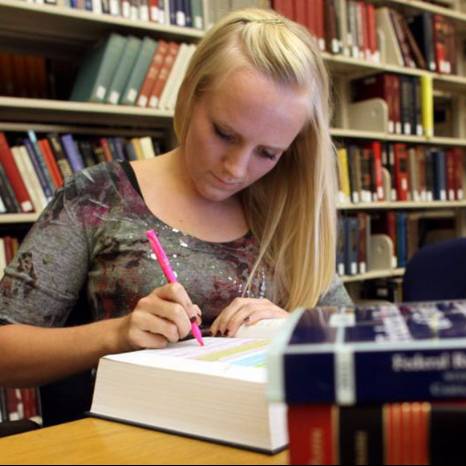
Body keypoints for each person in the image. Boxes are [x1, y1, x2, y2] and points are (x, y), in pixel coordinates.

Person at [0, 7, 351, 390]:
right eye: (224, 133)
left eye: (267, 153)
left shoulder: (287, 213)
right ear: (188, 96)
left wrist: (298, 328)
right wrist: (116, 335)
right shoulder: (99, 197)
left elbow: (361, 338)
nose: (235, 168)